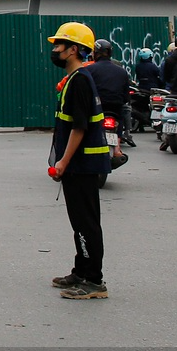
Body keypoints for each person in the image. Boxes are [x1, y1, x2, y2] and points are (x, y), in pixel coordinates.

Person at [44, 22, 110, 300]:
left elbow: (79, 128)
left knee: (86, 223)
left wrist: (63, 163)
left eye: (59, 45)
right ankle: (81, 271)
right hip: (78, 164)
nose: (54, 50)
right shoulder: (74, 79)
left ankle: (94, 281)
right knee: (79, 221)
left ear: (73, 50)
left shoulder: (80, 81)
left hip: (82, 164)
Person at [85, 41, 133, 150]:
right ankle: (117, 148)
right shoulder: (121, 71)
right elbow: (126, 96)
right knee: (120, 119)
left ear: (96, 53)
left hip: (97, 108)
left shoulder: (89, 70)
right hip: (115, 107)